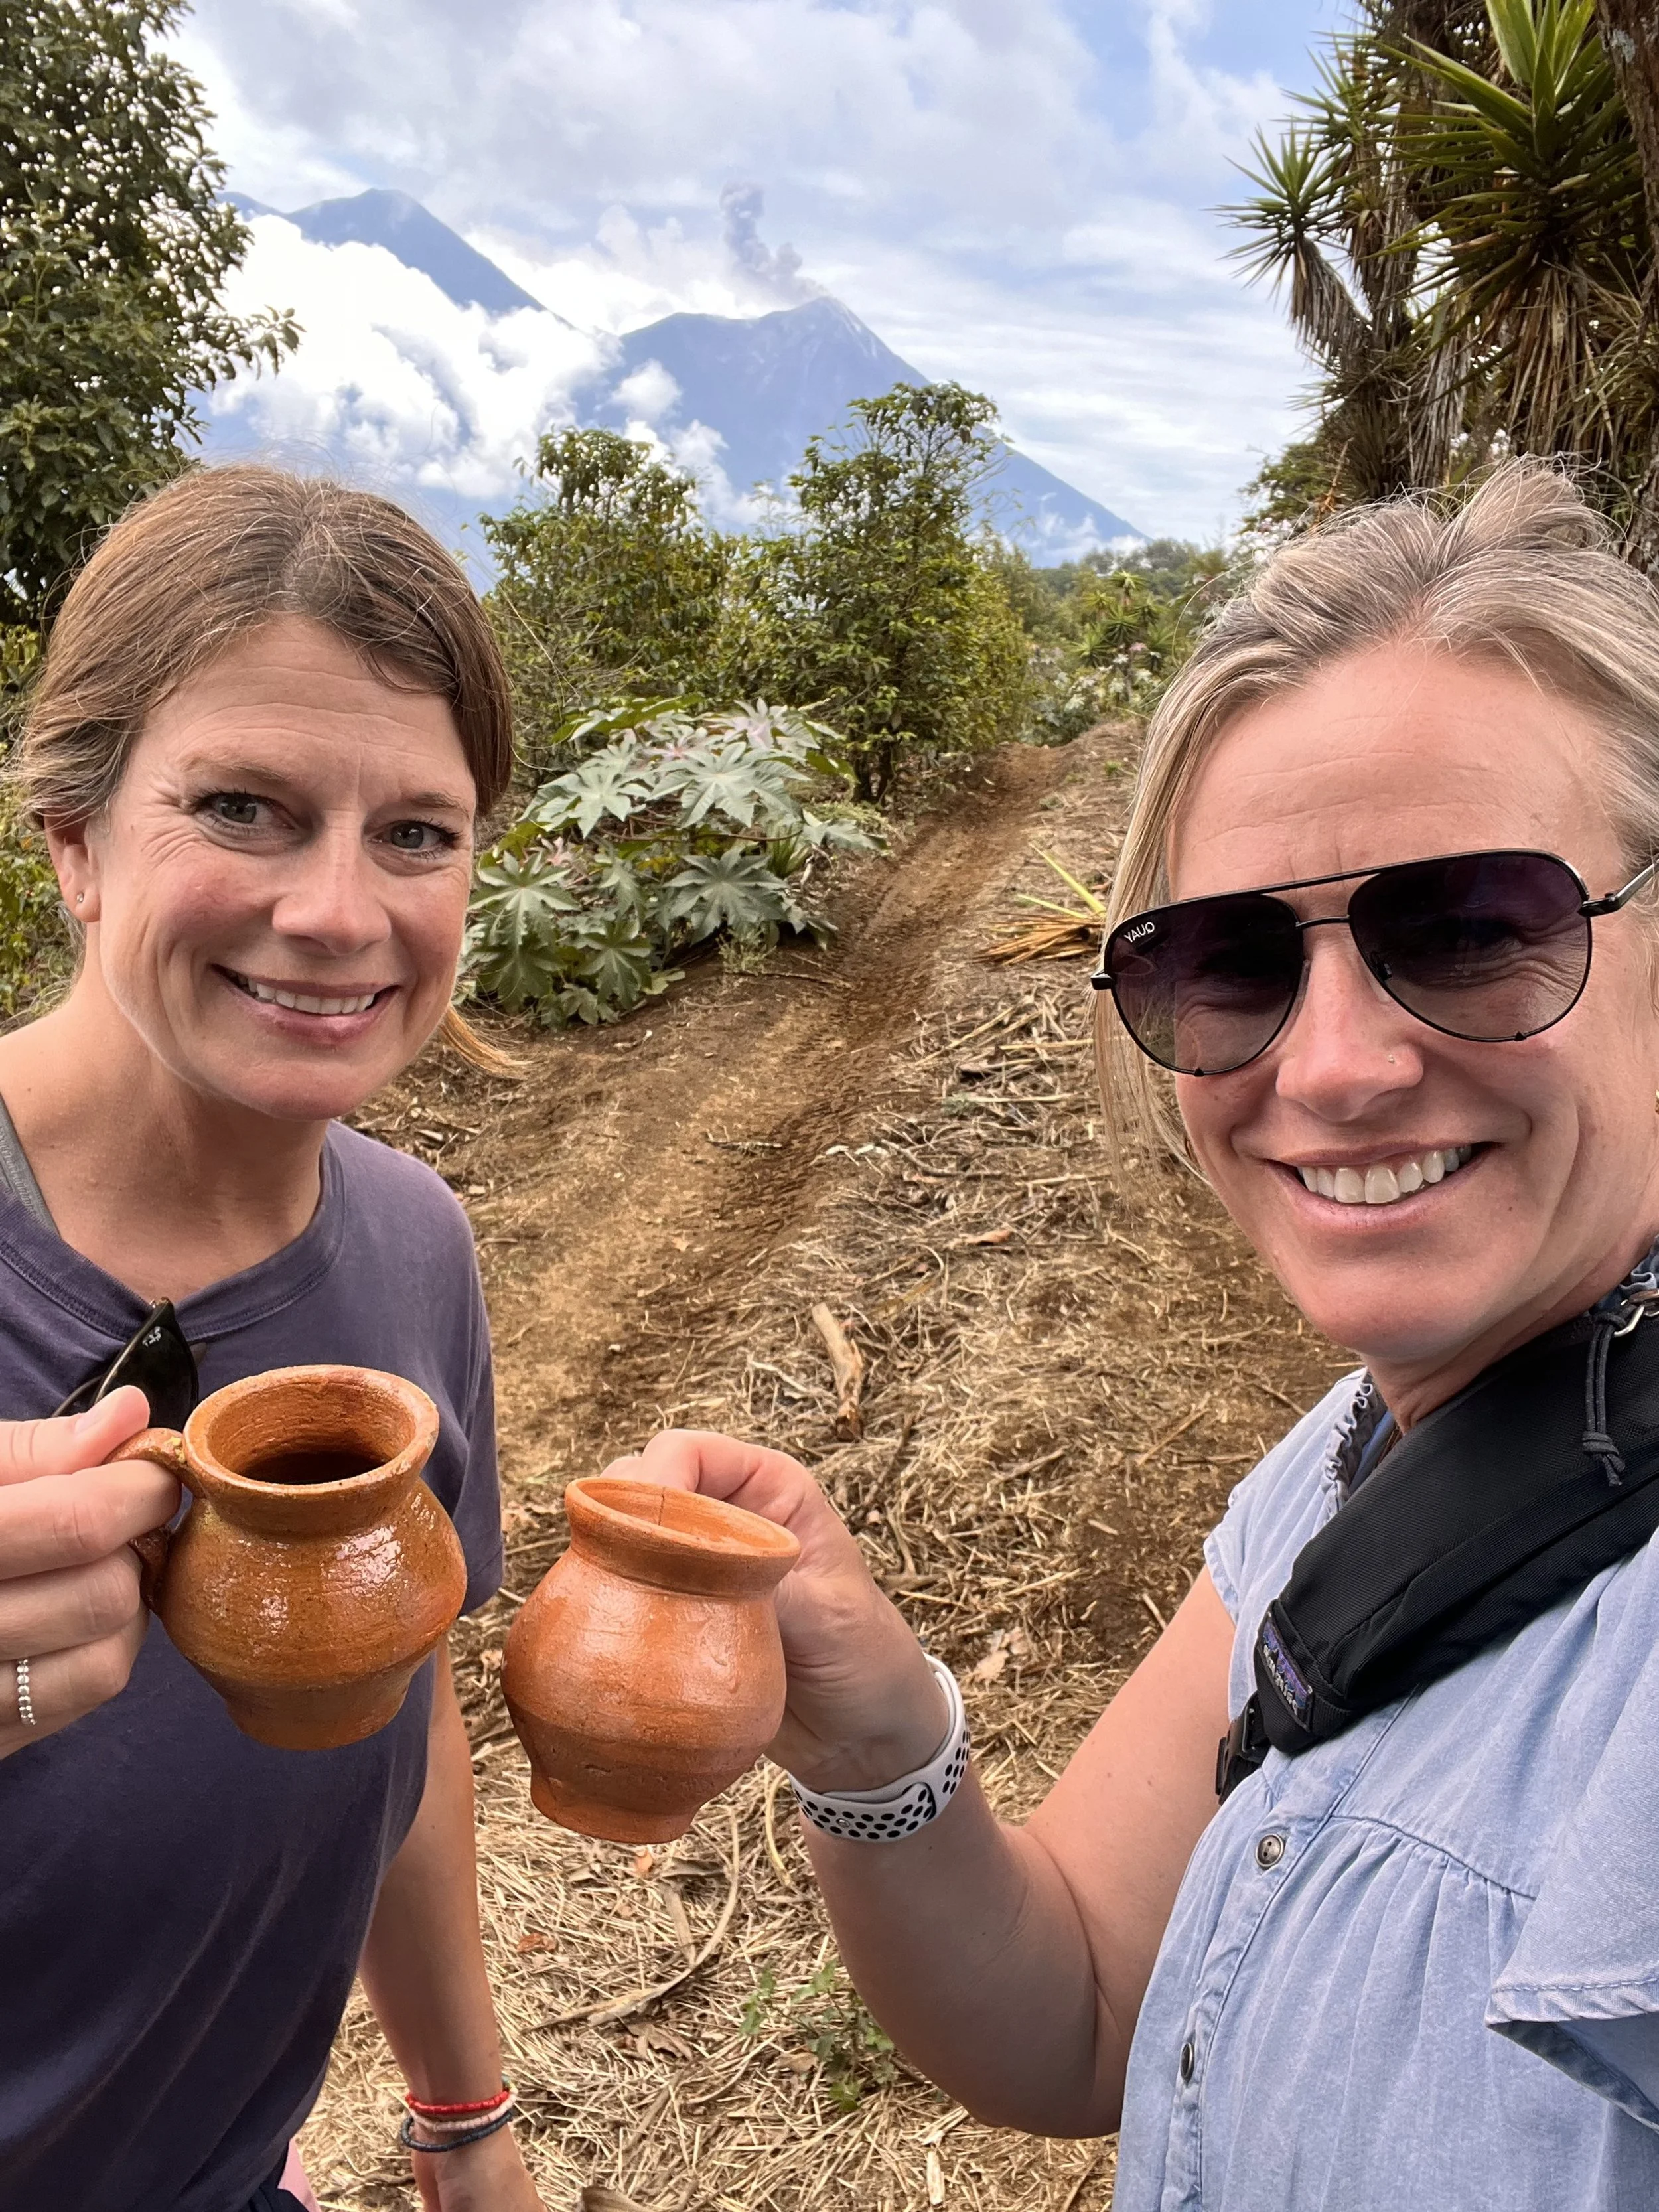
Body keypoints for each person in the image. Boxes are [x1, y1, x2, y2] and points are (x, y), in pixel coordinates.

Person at [607, 463, 1659, 2205]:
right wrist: (878, 1742)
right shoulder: (1344, 1464)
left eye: (1472, 929)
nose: (1326, 1066)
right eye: (1228, 963)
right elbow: (1080, 2001)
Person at [0, 467, 545, 2211]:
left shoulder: (411, 1254)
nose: (337, 911)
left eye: (416, 831)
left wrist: (468, 2121)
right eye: (242, 806)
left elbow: (402, 1690)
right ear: (73, 835)